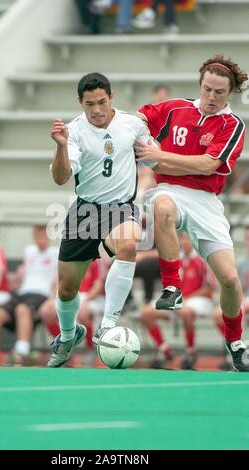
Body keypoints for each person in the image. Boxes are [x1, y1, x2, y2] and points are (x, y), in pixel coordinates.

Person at [134, 54, 249, 371]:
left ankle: (235, 343)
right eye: (207, 89)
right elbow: (139, 118)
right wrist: (142, 135)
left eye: (219, 92)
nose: (211, 97)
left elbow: (208, 165)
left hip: (207, 202)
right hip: (169, 188)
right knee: (161, 206)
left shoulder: (232, 125)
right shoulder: (174, 108)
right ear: (200, 83)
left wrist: (159, 155)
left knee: (229, 281)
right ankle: (172, 286)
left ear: (231, 93)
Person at [48, 72, 156, 367]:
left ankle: (108, 326)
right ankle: (69, 335)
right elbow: (60, 178)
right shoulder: (73, 131)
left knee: (129, 242)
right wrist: (60, 145)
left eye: (101, 102)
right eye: (89, 104)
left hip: (122, 207)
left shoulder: (132, 124)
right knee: (67, 288)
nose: (96, 110)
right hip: (86, 211)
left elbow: (154, 158)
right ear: (79, 103)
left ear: (112, 97)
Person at [0, 225, 58, 365]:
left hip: (41, 295)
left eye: (43, 236)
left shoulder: (56, 253)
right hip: (23, 292)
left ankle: (21, 351)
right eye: (37, 236)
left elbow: (59, 279)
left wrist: (52, 299)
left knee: (22, 309)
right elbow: (23, 275)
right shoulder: (29, 251)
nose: (40, 239)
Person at [142, 232, 216, 369]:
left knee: (185, 312)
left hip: (198, 299)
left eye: (187, 239)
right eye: (183, 239)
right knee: (147, 313)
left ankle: (190, 351)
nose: (185, 242)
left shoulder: (202, 259)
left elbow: (210, 288)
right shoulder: (176, 259)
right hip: (178, 298)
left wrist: (187, 298)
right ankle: (165, 351)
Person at [213, 227, 249, 370]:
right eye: (247, 238)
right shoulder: (240, 263)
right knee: (218, 314)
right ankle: (236, 348)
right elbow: (235, 289)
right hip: (244, 301)